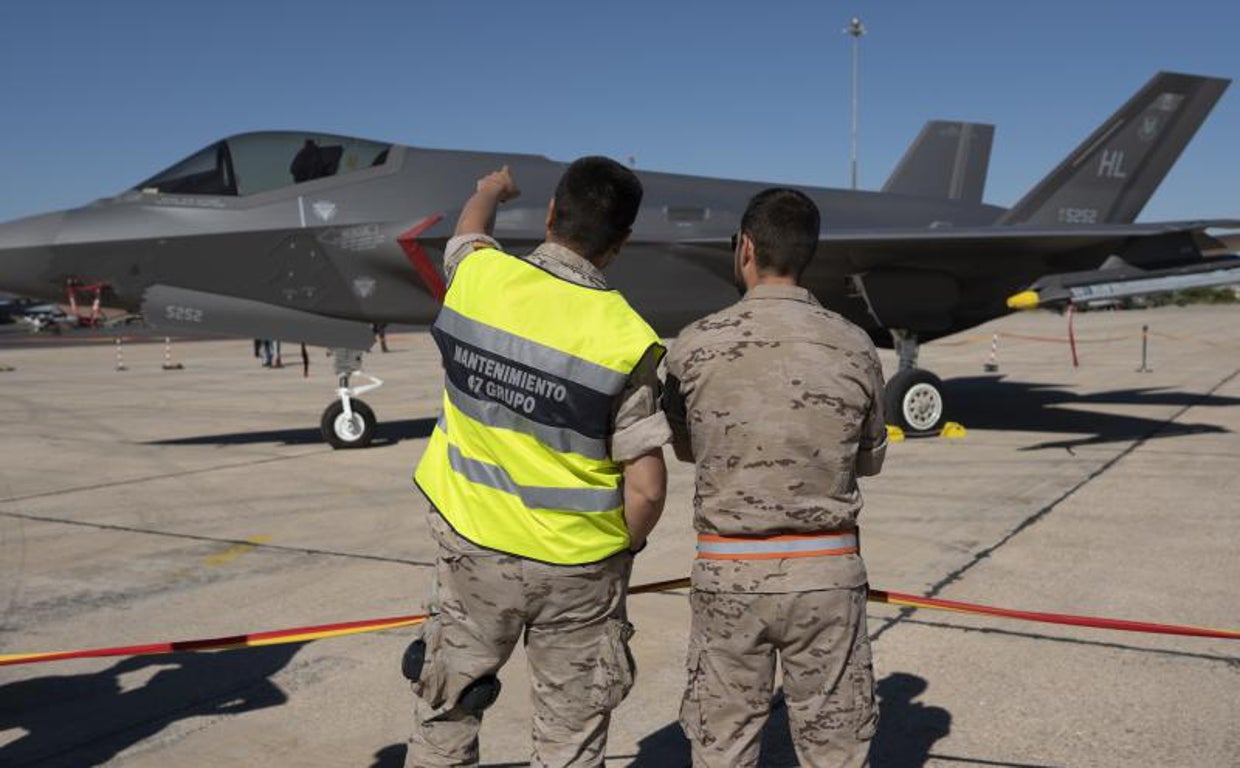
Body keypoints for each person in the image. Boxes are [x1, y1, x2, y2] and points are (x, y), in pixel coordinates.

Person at [406, 159, 669, 767]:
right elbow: (648, 489)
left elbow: (468, 233)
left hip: (472, 551)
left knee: (448, 709)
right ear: (620, 244)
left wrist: (490, 189)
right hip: (578, 568)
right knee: (570, 738)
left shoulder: (479, 277)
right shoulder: (626, 335)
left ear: (551, 214)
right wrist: (619, 550)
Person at [663, 188, 888, 768]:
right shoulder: (856, 345)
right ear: (808, 254)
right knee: (835, 751)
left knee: (724, 748)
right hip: (827, 577)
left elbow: (687, 451)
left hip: (729, 574)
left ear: (744, 247)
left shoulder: (694, 346)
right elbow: (870, 459)